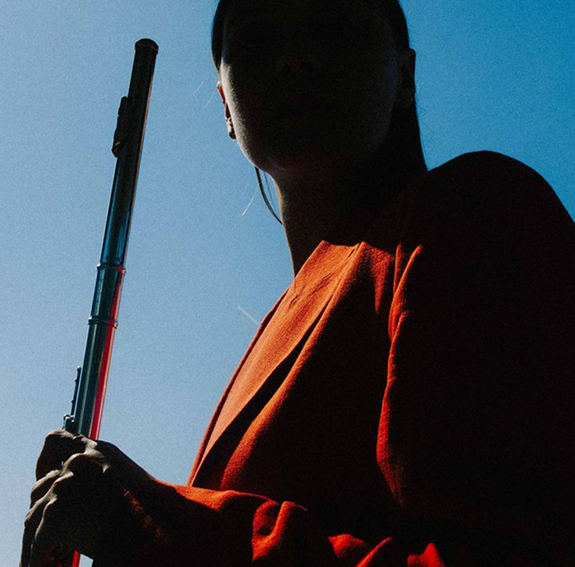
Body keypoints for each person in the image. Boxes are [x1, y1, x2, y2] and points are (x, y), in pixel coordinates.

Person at [21, 0, 575, 566]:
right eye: (257, 40)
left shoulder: (476, 211)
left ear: (405, 76)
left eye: (334, 25)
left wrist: (143, 523)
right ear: (226, 105)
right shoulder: (273, 329)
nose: (294, 58)